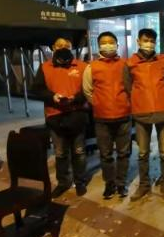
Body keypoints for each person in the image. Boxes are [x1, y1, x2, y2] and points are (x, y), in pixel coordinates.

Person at [32, 38, 88, 198]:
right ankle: (63, 182)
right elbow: (37, 89)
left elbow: (88, 89)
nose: (63, 48)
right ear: (53, 48)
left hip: (77, 115)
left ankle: (80, 182)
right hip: (55, 116)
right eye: (59, 46)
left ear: (71, 48)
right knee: (60, 153)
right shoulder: (45, 67)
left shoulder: (82, 66)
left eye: (67, 46)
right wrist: (52, 97)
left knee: (79, 152)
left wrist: (75, 98)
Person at [126, 28, 164, 201]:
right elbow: (128, 86)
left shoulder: (163, 61)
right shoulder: (130, 63)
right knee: (143, 153)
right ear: (138, 41)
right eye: (145, 40)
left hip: (163, 111)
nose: (149, 44)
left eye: (152, 41)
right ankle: (144, 185)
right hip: (141, 112)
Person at [82, 32, 132, 199]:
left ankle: (121, 183)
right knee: (106, 154)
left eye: (111, 42)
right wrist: (98, 103)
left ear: (117, 45)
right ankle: (109, 184)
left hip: (124, 116)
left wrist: (127, 103)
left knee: (123, 153)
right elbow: (87, 91)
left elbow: (132, 87)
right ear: (98, 46)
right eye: (104, 43)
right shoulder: (91, 67)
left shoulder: (125, 65)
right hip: (102, 118)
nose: (108, 45)